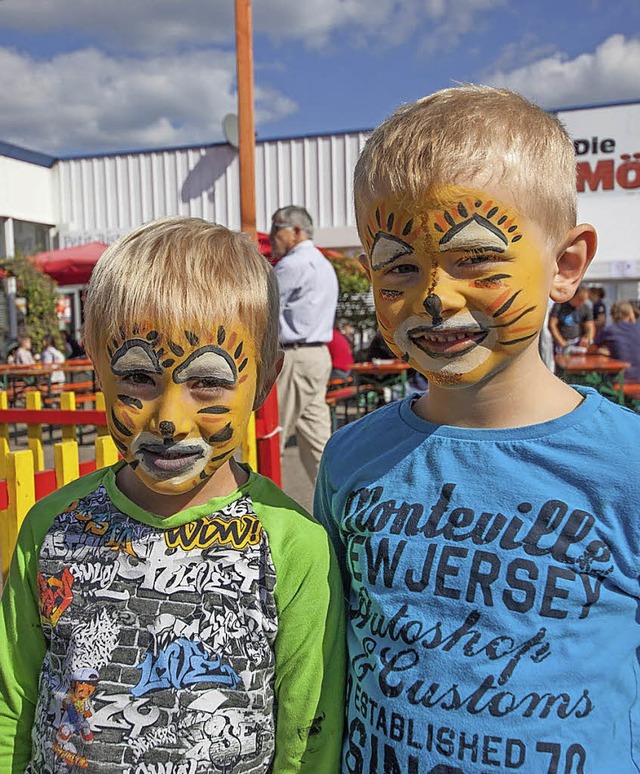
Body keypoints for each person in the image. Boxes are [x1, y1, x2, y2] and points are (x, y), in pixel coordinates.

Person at [314, 85, 640, 772]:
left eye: (475, 259)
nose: (435, 295)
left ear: (566, 265)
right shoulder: (350, 460)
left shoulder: (626, 467)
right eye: (399, 266)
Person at [0, 217, 345, 772]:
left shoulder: (293, 545)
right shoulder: (51, 528)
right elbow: (13, 699)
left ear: (264, 380)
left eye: (208, 381)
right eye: (137, 378)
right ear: (98, 372)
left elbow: (308, 731)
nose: (168, 420)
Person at [270, 205, 339, 482]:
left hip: (294, 357)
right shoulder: (323, 263)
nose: (273, 235)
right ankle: (338, 503)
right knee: (316, 438)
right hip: (317, 356)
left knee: (273, 435)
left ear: (296, 231)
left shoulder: (293, 265)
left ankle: (259, 509)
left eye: (276, 228)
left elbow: (261, 307)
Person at [595, 300, 640, 381]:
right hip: (636, 376)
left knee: (599, 380)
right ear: (630, 313)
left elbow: (592, 349)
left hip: (622, 379)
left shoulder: (609, 330)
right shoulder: (637, 327)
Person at [548, 284, 595, 353]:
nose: (582, 303)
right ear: (573, 296)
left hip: (577, 342)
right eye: (580, 299)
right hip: (561, 343)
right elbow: (552, 325)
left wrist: (588, 338)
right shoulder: (559, 305)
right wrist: (561, 342)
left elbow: (590, 326)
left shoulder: (586, 308)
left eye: (584, 300)